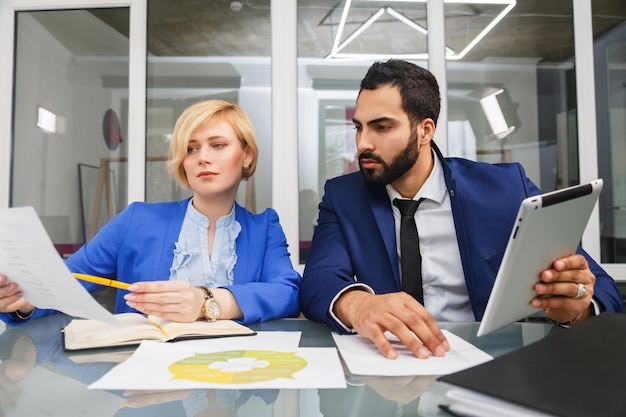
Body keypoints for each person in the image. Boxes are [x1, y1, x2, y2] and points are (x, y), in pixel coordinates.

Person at [299, 59, 624, 359]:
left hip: (490, 364)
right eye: (359, 127)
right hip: (388, 363)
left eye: (382, 127)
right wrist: (359, 304)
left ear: (425, 130)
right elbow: (319, 280)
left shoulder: (506, 189)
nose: (362, 143)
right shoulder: (344, 196)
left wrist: (577, 307)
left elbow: (602, 289)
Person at [0, 99, 300, 326]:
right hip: (146, 391)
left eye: (218, 145)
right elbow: (64, 283)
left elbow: (288, 293)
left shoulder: (265, 227)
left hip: (238, 376)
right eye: (191, 149)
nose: (202, 158)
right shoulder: (137, 220)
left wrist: (208, 301)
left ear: (246, 155)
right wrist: (24, 301)